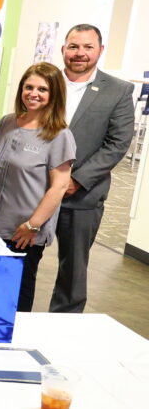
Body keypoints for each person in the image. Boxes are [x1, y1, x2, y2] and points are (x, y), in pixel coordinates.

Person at [50, 24, 135, 313]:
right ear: (63, 50)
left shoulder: (118, 90)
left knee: (73, 273)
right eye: (73, 46)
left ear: (100, 50)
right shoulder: (45, 81)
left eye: (88, 47)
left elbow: (117, 142)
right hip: (35, 191)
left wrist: (75, 180)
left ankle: (61, 333)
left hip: (82, 196)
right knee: (21, 265)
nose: (80, 53)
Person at [0, 63, 75, 313]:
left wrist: (33, 225)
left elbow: (60, 186)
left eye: (42, 89)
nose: (33, 93)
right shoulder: (7, 123)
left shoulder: (59, 135)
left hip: (23, 233)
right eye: (29, 86)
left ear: (54, 94)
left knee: (14, 299)